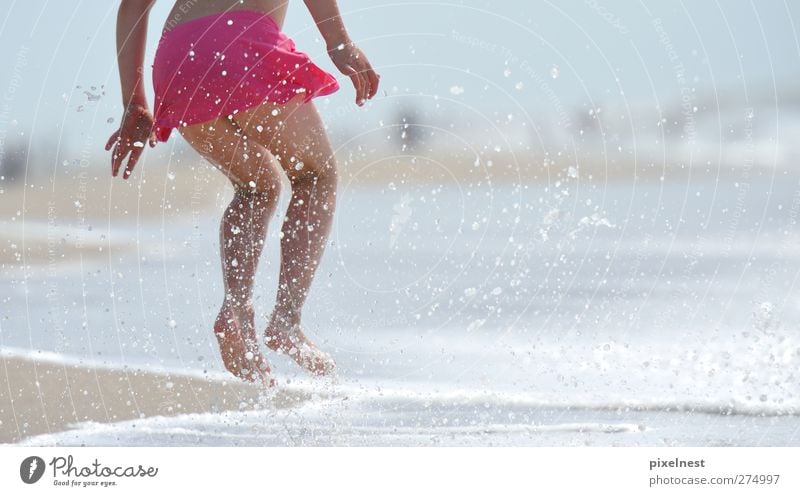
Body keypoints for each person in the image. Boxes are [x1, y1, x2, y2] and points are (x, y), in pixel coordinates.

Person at [105, 0, 379, 387]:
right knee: (315, 176)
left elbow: (133, 7)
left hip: (179, 59)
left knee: (256, 187)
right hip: (244, 42)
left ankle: (236, 307)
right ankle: (285, 321)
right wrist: (339, 42)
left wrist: (133, 103)